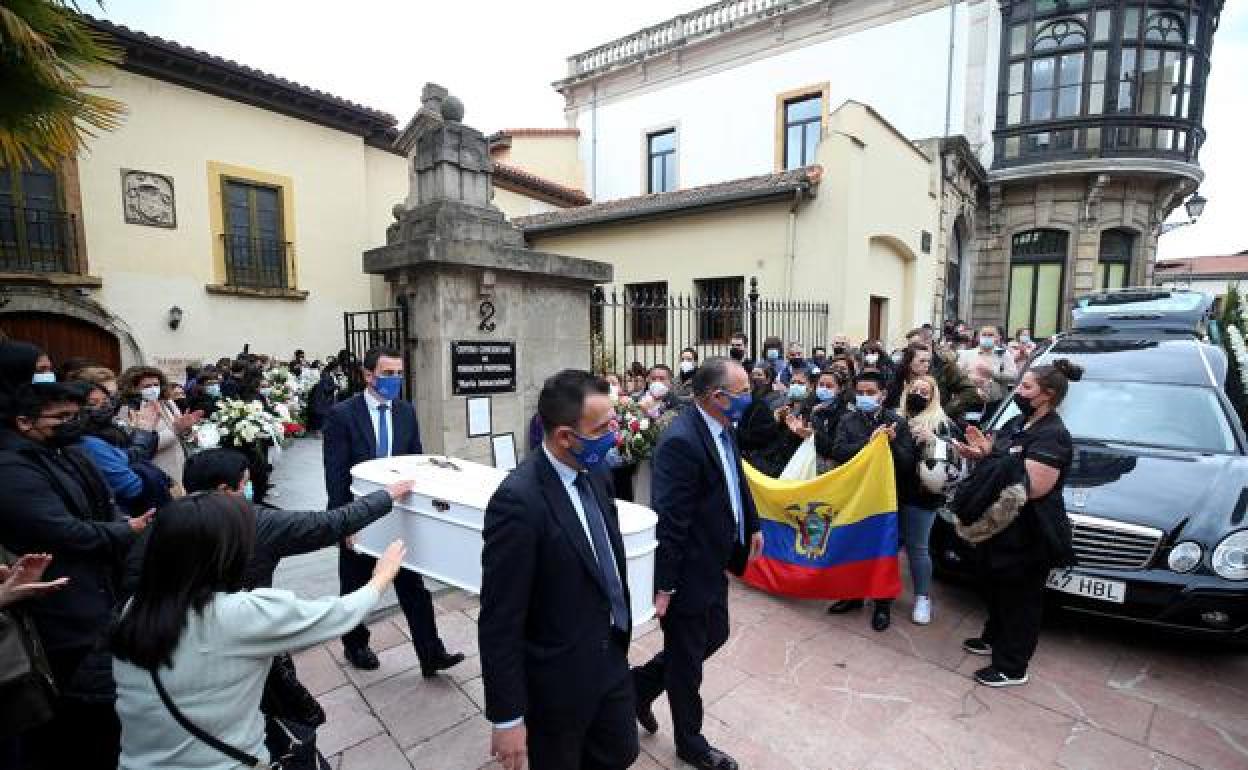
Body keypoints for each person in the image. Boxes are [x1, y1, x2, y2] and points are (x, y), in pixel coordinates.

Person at [111, 493, 407, 770]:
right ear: (222, 554)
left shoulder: (133, 610)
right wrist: (380, 578)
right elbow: (337, 615)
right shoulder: (238, 615)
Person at [479, 370, 639, 770]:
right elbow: (500, 619)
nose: (613, 434)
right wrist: (508, 716)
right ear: (566, 436)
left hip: (608, 654)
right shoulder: (518, 501)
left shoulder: (598, 471)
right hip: (555, 683)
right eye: (603, 427)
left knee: (621, 751)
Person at [0, 378, 152, 770]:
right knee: (78, 721)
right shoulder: (12, 468)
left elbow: (106, 502)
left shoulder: (67, 451)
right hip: (63, 608)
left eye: (76, 414)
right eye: (62, 417)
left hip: (102, 594)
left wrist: (120, 525)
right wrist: (127, 531)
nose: (73, 423)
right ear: (23, 422)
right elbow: (58, 531)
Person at [632, 357, 763, 770]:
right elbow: (671, 520)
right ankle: (691, 743)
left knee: (716, 633)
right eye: (742, 392)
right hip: (686, 570)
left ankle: (639, 684)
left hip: (713, 561)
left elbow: (735, 480)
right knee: (687, 664)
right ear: (716, 397)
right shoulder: (681, 441)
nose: (749, 398)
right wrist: (665, 585)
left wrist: (752, 525)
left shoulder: (725, 427)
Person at [324, 346, 464, 676]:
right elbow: (336, 475)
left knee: (413, 587)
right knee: (357, 587)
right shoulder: (342, 415)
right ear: (367, 375)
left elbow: (416, 462)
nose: (394, 380)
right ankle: (356, 645)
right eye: (387, 374)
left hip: (398, 516)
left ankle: (432, 654)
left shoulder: (405, 412)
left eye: (398, 374)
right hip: (358, 516)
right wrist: (344, 523)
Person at [954, 359, 1081, 688]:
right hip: (1002, 528)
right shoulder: (1019, 422)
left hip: (1030, 532)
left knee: (1021, 600)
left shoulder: (1053, 435)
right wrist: (980, 454)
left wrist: (994, 457)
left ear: (1047, 395)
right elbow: (1004, 461)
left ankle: (1012, 666)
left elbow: (1034, 486)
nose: (1018, 392)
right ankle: (993, 638)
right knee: (997, 588)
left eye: (1026, 387)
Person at [825, 370, 916, 631]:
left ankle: (882, 604)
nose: (865, 397)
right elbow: (839, 451)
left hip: (885, 500)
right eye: (861, 393)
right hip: (856, 497)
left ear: (883, 395)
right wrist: (870, 442)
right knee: (854, 546)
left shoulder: (897, 422)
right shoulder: (848, 420)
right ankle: (852, 596)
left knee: (883, 551)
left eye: (870, 393)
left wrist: (893, 444)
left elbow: (908, 463)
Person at [897, 375, 963, 625]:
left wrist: (935, 441)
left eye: (925, 392)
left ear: (934, 397)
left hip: (922, 497)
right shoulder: (896, 417)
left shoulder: (943, 423)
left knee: (918, 548)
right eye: (914, 389)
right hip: (892, 492)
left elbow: (958, 455)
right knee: (889, 543)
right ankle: (882, 590)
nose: (918, 395)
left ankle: (922, 598)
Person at [76, 382, 173, 514]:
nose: (105, 405)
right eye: (93, 403)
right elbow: (131, 487)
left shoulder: (113, 427)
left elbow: (130, 455)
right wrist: (143, 432)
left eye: (106, 399)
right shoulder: (89, 443)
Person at [117, 366, 202, 482]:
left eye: (156, 385)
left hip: (179, 465)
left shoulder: (167, 403)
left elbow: (182, 433)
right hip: (156, 470)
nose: (153, 389)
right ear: (133, 388)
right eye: (147, 386)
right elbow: (139, 444)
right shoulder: (127, 410)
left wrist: (187, 430)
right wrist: (176, 430)